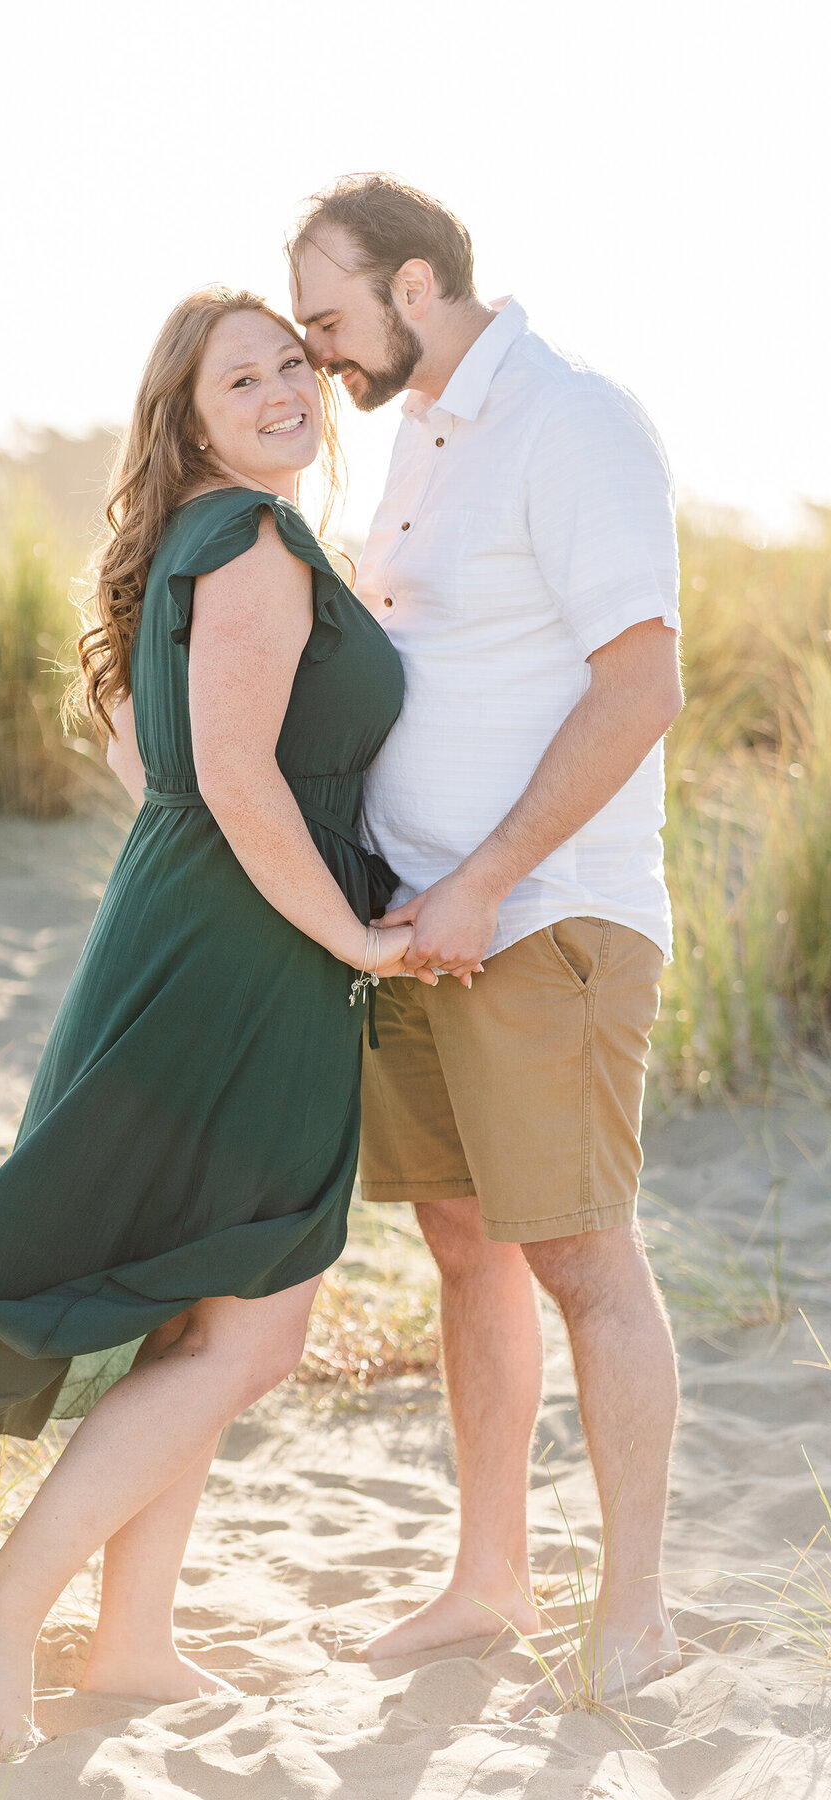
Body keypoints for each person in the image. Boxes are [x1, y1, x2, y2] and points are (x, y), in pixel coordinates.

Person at [0, 286, 419, 1758]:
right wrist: (353, 934)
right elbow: (238, 781)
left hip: (194, 936)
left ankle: (130, 1642)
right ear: (188, 422)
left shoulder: (191, 545)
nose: (282, 391)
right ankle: (2, 1607)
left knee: (206, 1302)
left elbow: (153, 767)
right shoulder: (249, 538)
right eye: (240, 378)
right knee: (254, 1332)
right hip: (248, 961)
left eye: (293, 365)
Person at [288, 174, 686, 1714]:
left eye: (329, 320)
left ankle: (635, 1613)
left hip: (546, 919)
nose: (320, 356)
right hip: (422, 925)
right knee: (464, 1245)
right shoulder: (419, 440)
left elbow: (638, 689)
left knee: (583, 1258)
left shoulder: (573, 422)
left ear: (411, 286)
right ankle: (490, 1580)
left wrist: (487, 882)